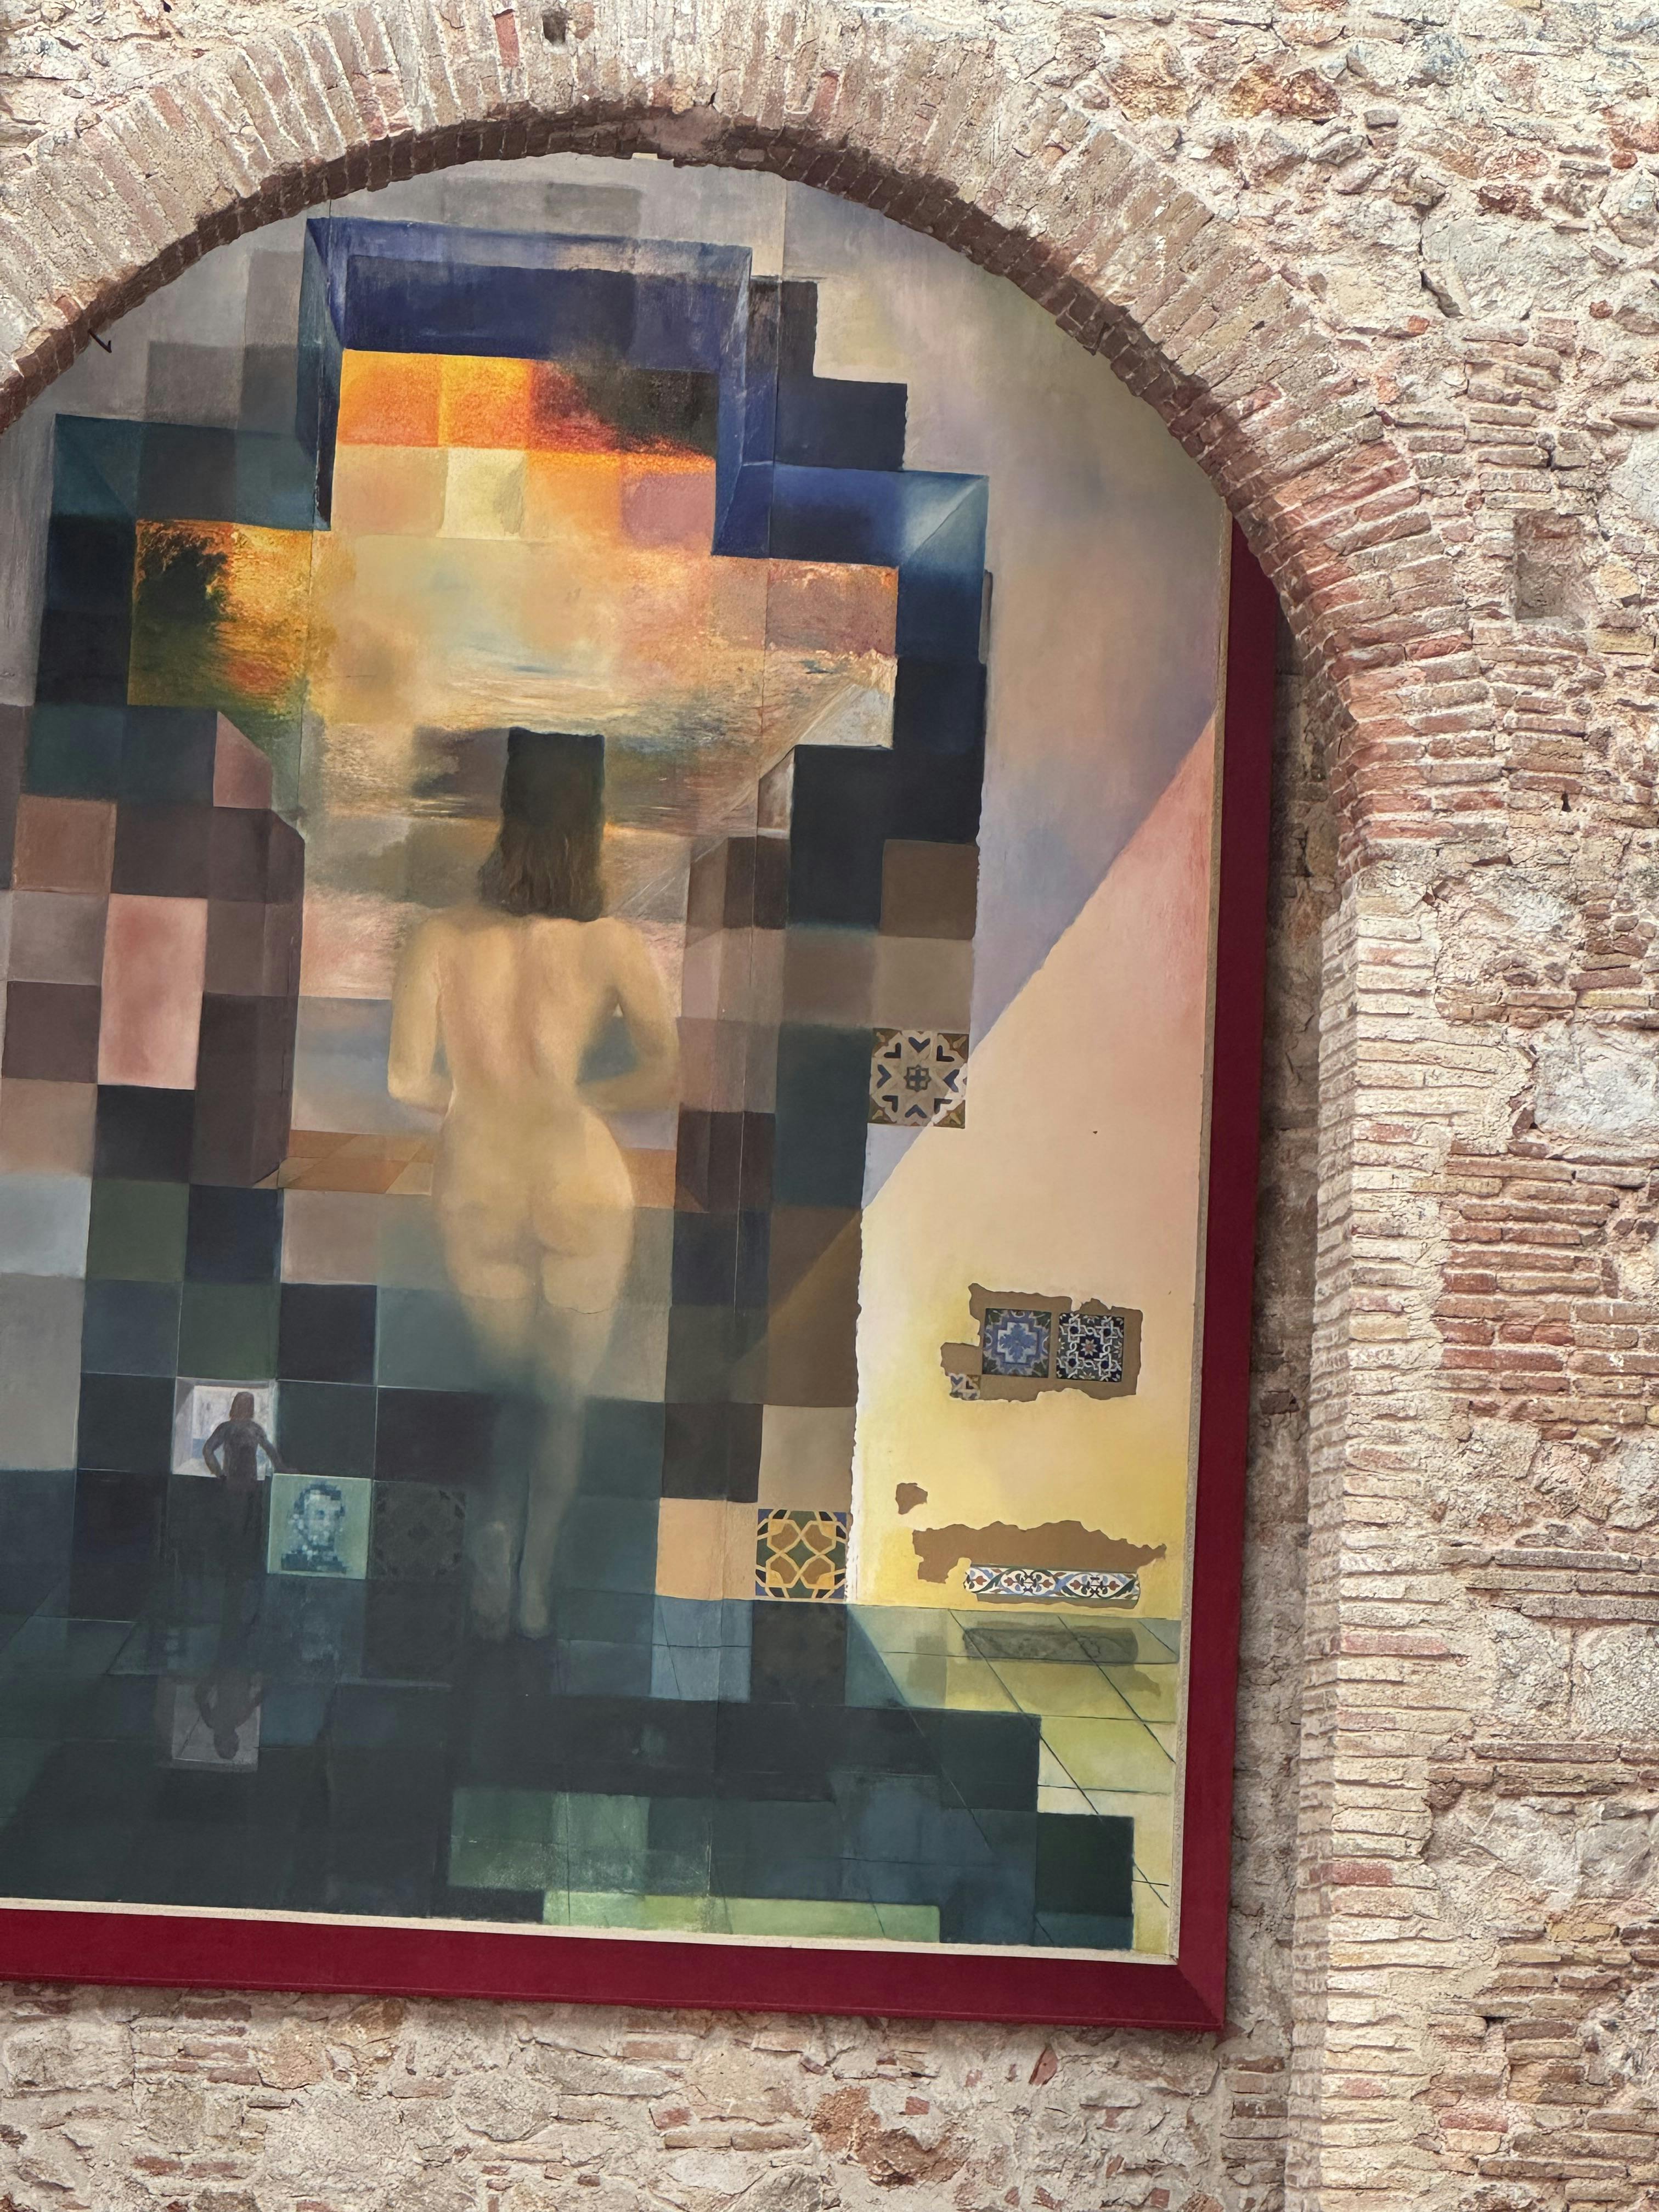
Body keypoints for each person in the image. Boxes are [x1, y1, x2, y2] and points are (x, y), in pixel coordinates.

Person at [388, 729, 678, 1640]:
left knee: (507, 1389)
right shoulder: (612, 943)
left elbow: (404, 1081)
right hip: (580, 1181)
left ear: (506, 819)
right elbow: (664, 1071)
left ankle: (492, 1552)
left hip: (480, 1181)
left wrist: (473, 1100)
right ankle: (537, 1584)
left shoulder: (438, 938)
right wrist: (582, 1099)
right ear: (591, 829)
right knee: (562, 1399)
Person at [279, 1479, 351, 1576]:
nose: (328, 1524)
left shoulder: (340, 1569)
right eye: (320, 1515)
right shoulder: (287, 1565)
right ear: (300, 1520)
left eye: (335, 1516)